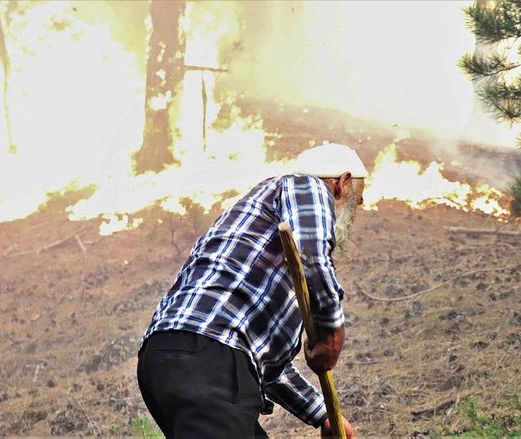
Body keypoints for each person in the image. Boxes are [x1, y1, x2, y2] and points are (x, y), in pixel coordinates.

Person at [137, 143, 366, 438]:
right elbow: (312, 250)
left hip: (179, 359)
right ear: (342, 183)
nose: (357, 208)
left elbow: (262, 362)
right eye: (356, 200)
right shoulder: (306, 186)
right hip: (209, 358)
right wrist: (332, 330)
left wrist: (322, 414)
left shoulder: (263, 233)